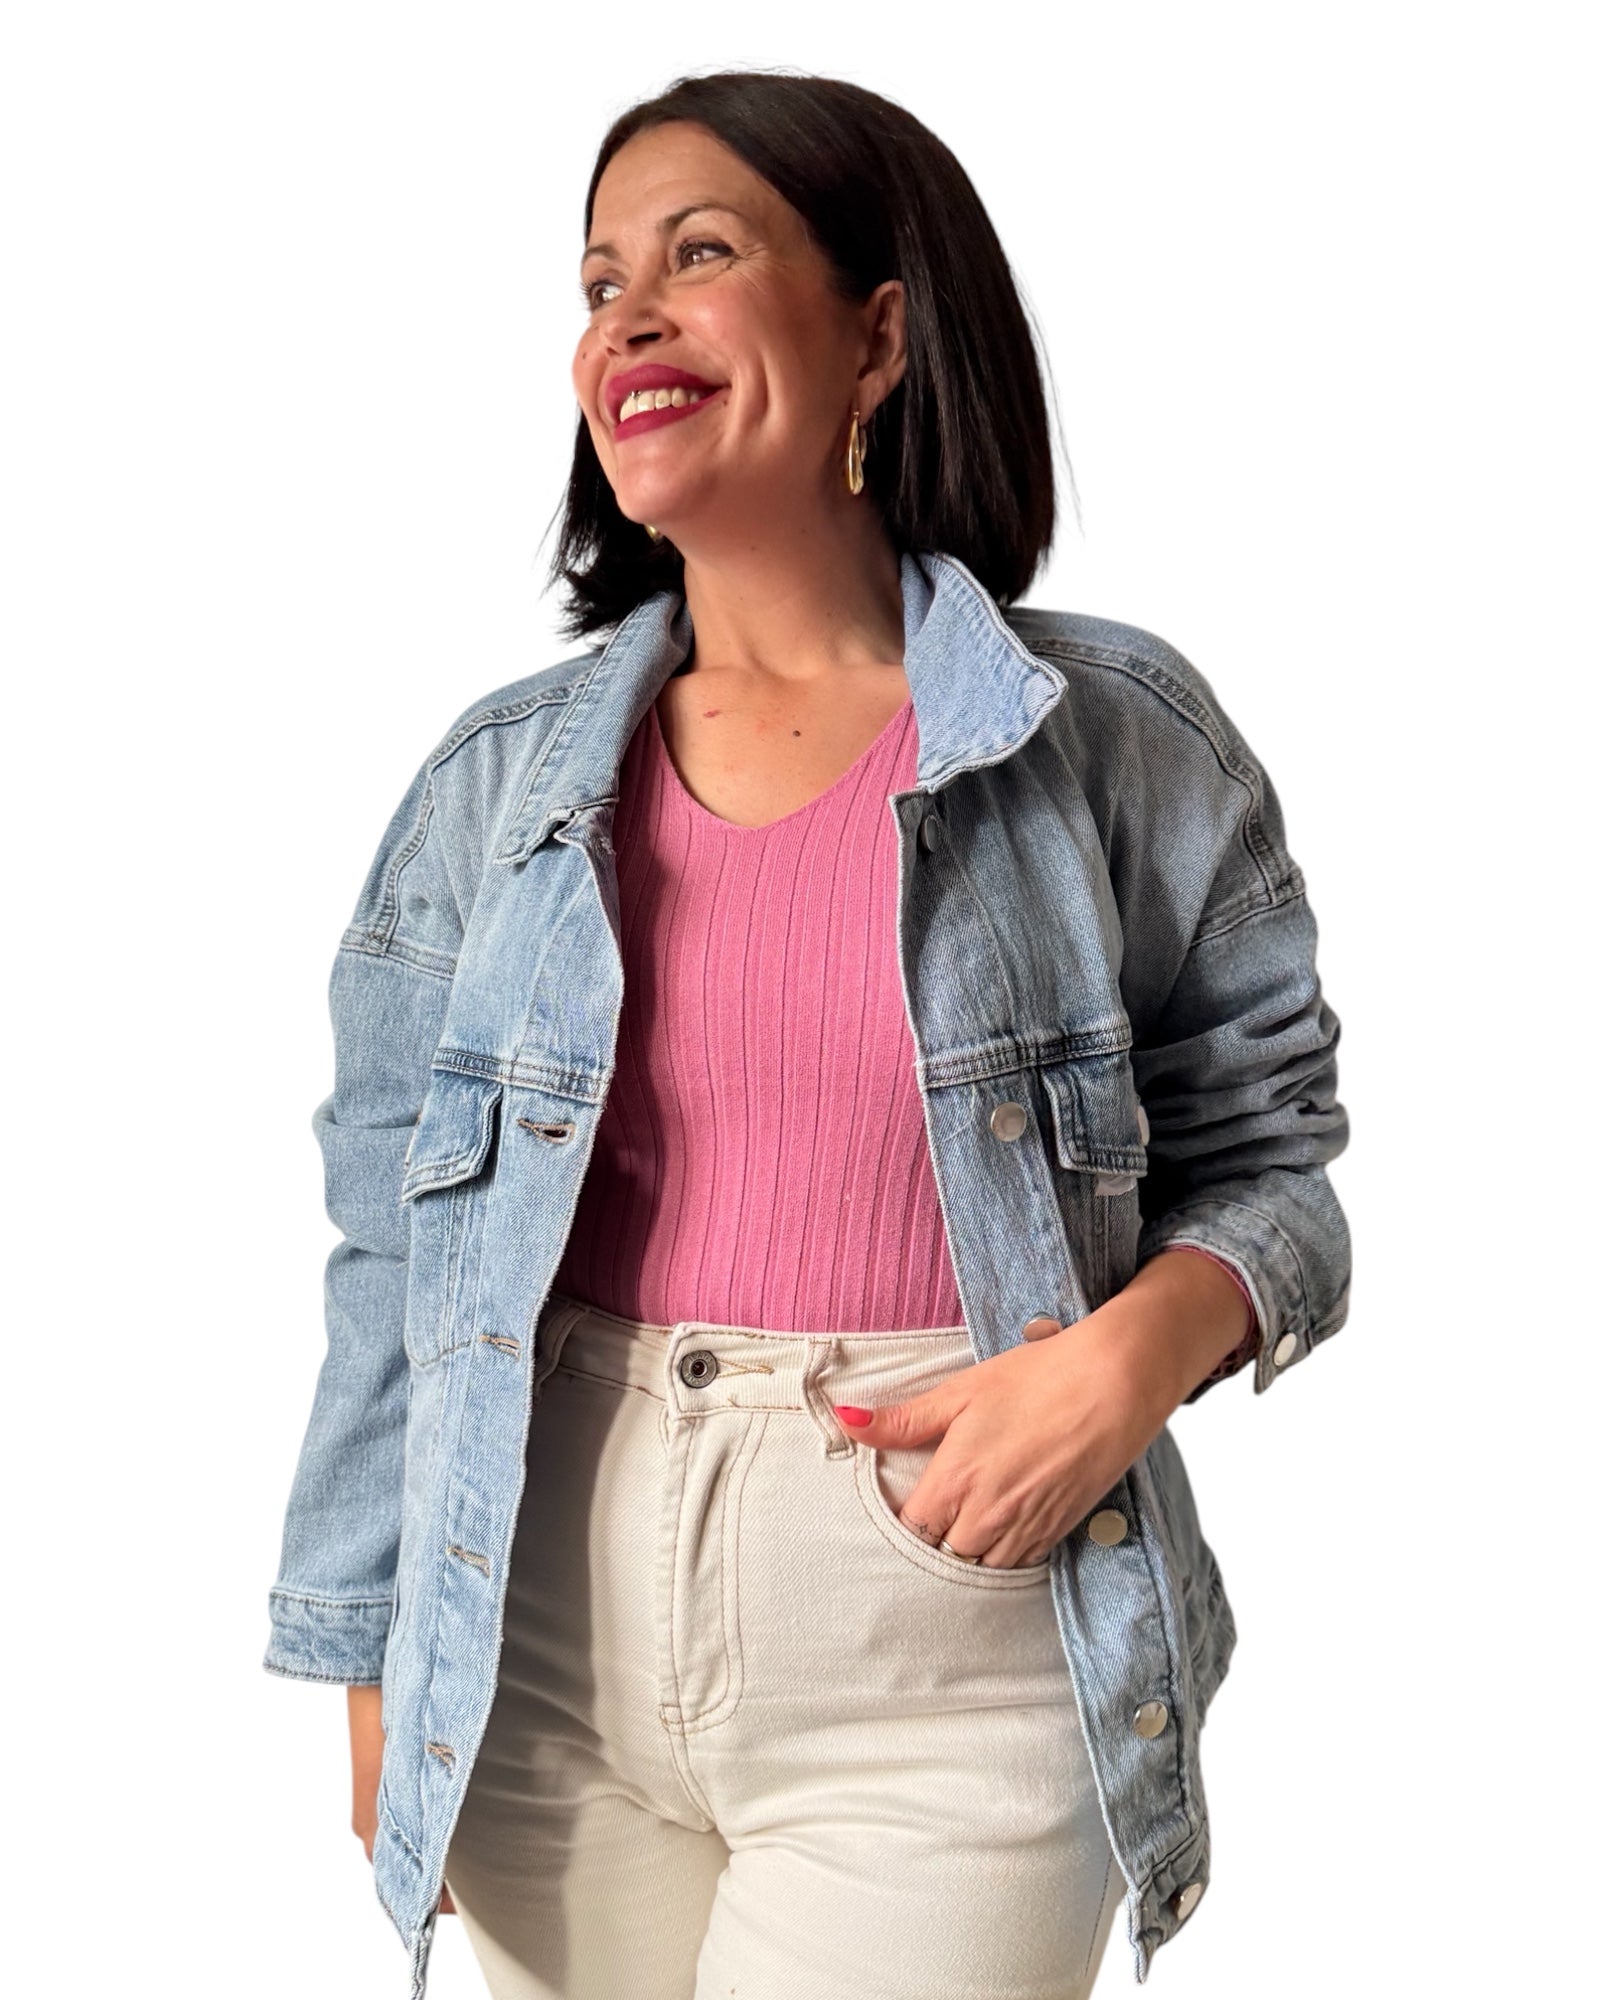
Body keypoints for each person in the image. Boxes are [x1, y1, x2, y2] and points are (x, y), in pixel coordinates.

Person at [263, 69, 1351, 2000]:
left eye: (700, 254)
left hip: (947, 1644)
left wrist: (1123, 1368)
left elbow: (1275, 1170)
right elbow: (390, 1256)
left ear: (878, 338)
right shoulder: (495, 793)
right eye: (600, 283)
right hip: (538, 1650)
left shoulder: (1108, 744)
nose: (628, 320)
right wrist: (368, 1654)